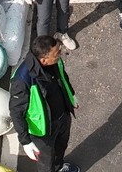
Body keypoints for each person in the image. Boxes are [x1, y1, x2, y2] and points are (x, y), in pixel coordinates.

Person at [9, 35, 79, 172]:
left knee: (61, 147)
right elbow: (16, 112)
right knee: (46, 162)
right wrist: (25, 141)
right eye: (57, 52)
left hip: (62, 117)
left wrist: (72, 95)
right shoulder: (22, 80)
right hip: (43, 130)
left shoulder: (55, 62)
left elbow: (63, 78)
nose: (60, 53)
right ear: (44, 60)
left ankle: (59, 168)